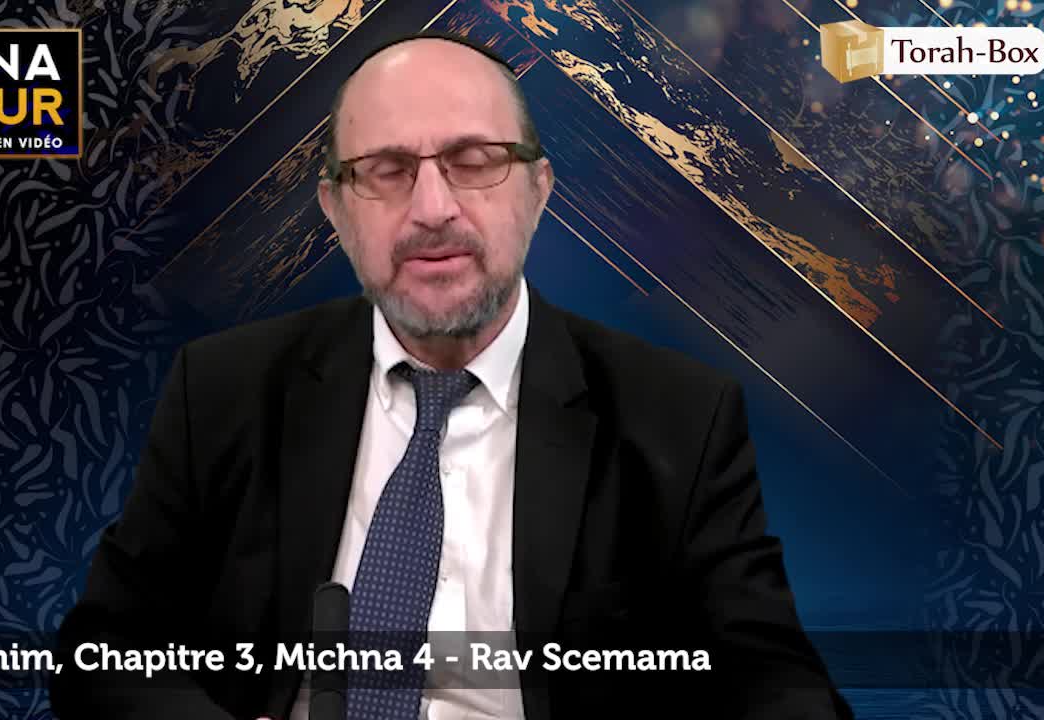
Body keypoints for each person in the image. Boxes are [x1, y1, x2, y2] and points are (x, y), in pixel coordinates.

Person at [50, 30, 854, 720]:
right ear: (335, 209)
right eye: (386, 169)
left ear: (538, 190)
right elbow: (104, 652)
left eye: (474, 161)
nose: (432, 207)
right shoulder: (225, 387)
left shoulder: (677, 413)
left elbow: (773, 684)